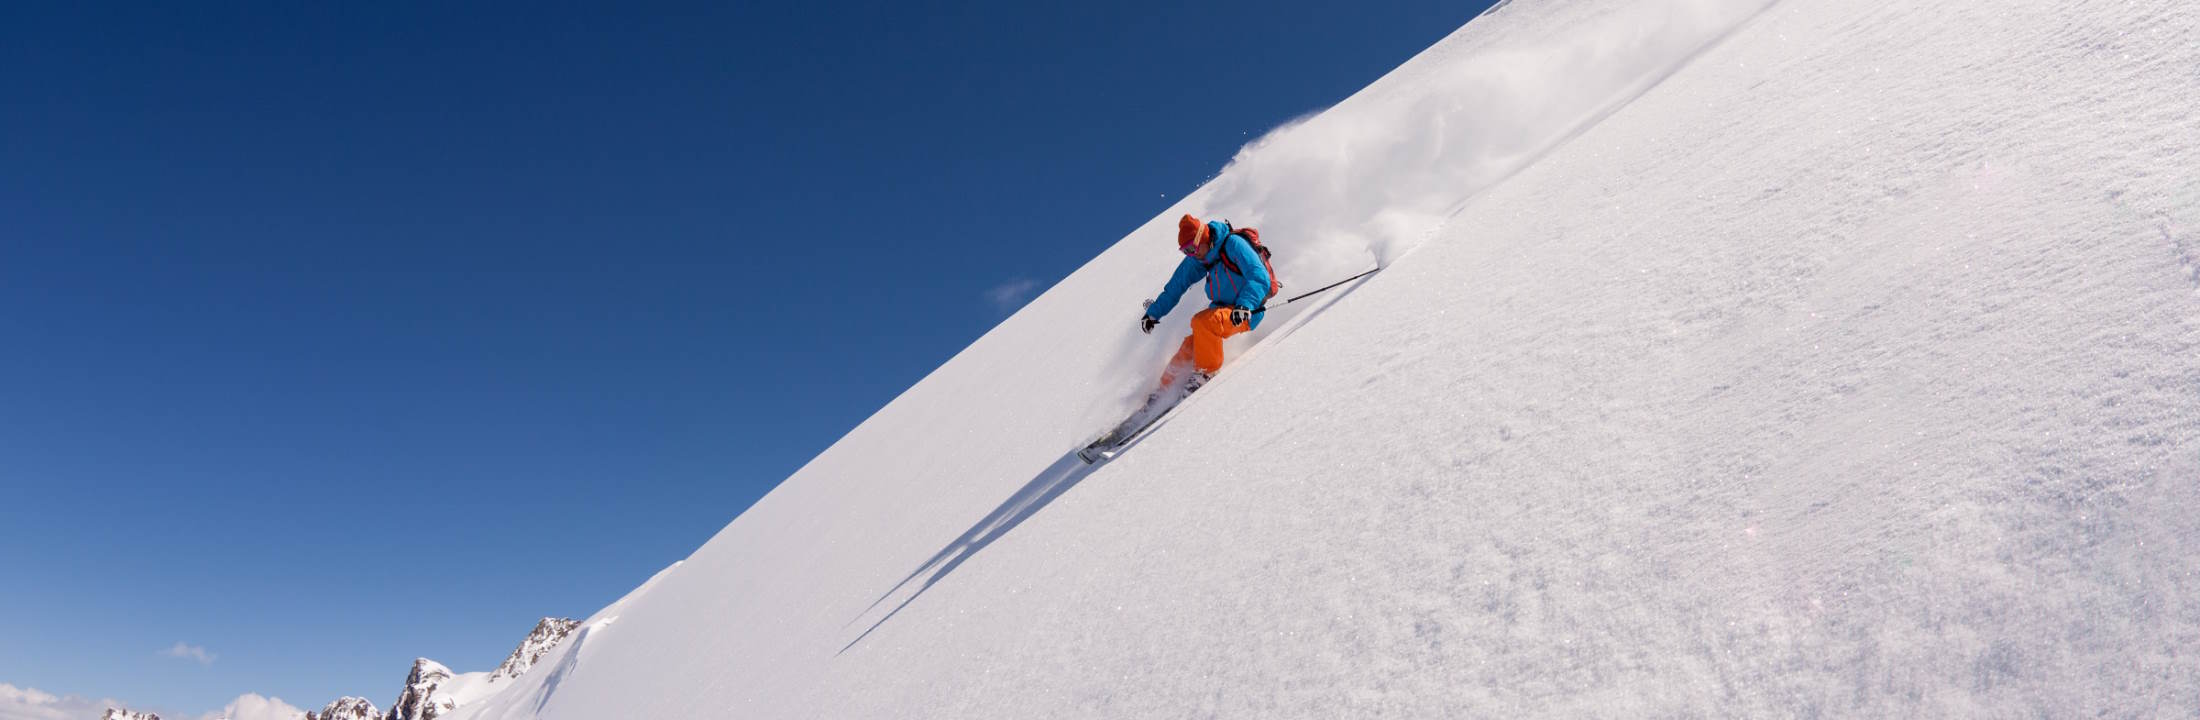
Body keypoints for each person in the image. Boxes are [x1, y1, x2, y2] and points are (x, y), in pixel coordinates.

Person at [1139, 213, 1273, 395]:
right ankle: (1163, 390)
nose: (1191, 254)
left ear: (1203, 237)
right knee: (1190, 345)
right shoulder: (1200, 258)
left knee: (1202, 322)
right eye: (1185, 251)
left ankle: (1206, 373)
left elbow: (1259, 276)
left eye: (1192, 249)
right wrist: (1153, 313)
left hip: (1247, 311)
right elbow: (1175, 287)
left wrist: (1245, 305)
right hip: (1222, 312)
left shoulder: (1233, 244)